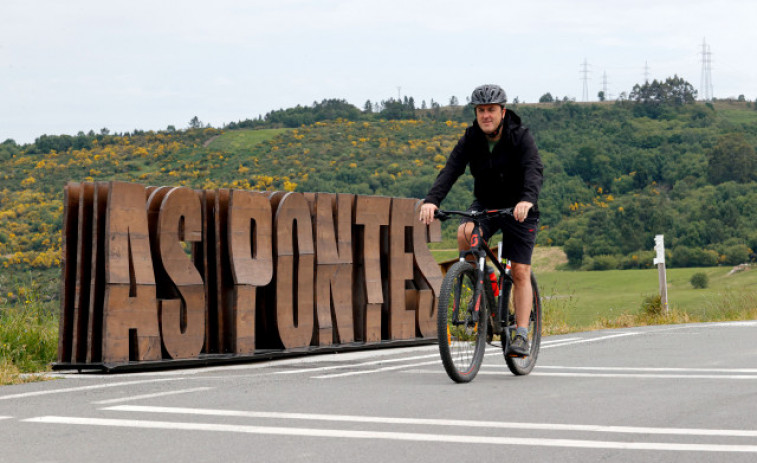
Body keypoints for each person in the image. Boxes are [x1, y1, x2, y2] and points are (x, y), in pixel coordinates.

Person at [419, 84, 543, 357]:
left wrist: (527, 200)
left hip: (519, 208)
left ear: (502, 111)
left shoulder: (520, 137)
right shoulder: (471, 139)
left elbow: (534, 170)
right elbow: (451, 169)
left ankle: (521, 333)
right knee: (465, 233)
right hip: (486, 205)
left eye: (491, 110)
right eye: (481, 111)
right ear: (476, 113)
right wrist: (432, 200)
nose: (486, 115)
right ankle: (482, 282)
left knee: (520, 270)